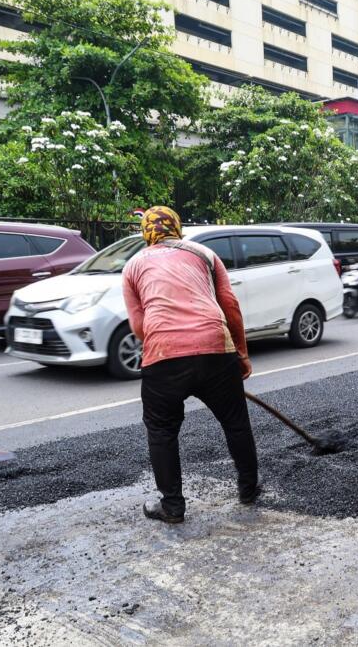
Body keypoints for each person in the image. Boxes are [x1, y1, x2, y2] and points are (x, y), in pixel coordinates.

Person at [123, 206, 259, 523]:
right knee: (236, 421)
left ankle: (172, 506)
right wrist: (240, 353)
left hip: (164, 356)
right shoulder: (205, 254)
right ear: (177, 227)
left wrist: (166, 340)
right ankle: (249, 489)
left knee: (161, 430)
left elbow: (139, 325)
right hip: (215, 349)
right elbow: (230, 306)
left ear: (146, 233)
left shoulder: (133, 266)